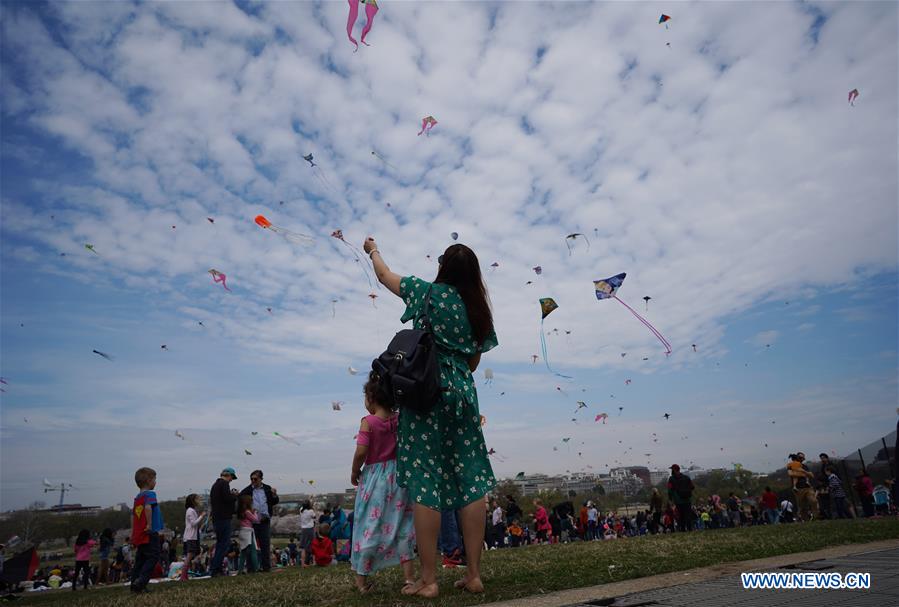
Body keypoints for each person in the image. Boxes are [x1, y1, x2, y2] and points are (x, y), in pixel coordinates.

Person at [365, 238, 498, 598]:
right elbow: (473, 360)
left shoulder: (425, 293)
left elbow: (383, 275)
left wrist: (373, 250)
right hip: (463, 395)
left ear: (442, 268)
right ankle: (473, 574)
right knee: (470, 478)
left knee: (426, 480)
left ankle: (428, 579)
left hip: (426, 393)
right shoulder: (477, 309)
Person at [349, 371, 417, 593]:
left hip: (375, 480)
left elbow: (361, 450)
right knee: (404, 526)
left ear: (371, 398)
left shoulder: (368, 422)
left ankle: (362, 580)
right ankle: (409, 578)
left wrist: (354, 471)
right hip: (399, 477)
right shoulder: (400, 419)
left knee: (370, 524)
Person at [130, 467, 163, 594]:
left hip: (141, 533)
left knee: (140, 559)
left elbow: (133, 515)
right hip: (150, 532)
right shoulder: (150, 494)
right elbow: (148, 508)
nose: (155, 482)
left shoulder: (137, 498)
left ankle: (135, 583)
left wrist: (134, 532)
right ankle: (141, 581)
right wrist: (149, 524)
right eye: (154, 479)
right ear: (149, 481)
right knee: (153, 557)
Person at [239, 470, 279, 572]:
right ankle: (251, 568)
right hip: (251, 523)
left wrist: (274, 495)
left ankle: (266, 567)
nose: (253, 481)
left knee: (265, 544)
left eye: (255, 479)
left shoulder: (267, 488)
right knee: (251, 546)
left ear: (261, 479)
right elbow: (240, 502)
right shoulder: (247, 491)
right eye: (251, 479)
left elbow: (274, 501)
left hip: (264, 520)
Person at [209, 467, 239, 576]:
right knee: (223, 544)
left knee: (220, 543)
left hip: (217, 518)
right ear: (228, 475)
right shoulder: (224, 484)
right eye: (232, 477)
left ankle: (215, 568)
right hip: (224, 517)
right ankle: (216, 569)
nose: (231, 480)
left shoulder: (215, 485)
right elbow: (227, 499)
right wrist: (234, 496)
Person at [787, 453, 817, 521]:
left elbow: (811, 475)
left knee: (813, 501)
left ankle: (816, 517)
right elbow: (790, 473)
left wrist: (803, 472)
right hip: (798, 489)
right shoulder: (791, 465)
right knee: (802, 507)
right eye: (800, 457)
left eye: (803, 458)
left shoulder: (804, 466)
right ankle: (806, 520)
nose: (802, 459)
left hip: (807, 487)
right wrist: (802, 474)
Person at [182, 494, 205, 580]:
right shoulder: (190, 510)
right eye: (198, 499)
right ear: (193, 501)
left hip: (192, 536)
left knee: (190, 556)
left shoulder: (191, 510)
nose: (200, 501)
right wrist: (201, 516)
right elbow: (193, 523)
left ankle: (184, 575)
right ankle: (183, 576)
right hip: (190, 537)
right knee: (189, 556)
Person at [667, 465, 694, 532]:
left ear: (674, 470)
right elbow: (692, 487)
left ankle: (683, 529)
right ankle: (690, 528)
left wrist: (670, 499)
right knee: (688, 515)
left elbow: (669, 490)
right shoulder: (686, 477)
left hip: (678, 500)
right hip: (687, 499)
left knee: (681, 515)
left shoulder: (671, 479)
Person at [237, 494, 260, 573]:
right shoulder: (247, 512)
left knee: (243, 551)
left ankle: (240, 570)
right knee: (253, 551)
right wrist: (255, 512)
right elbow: (256, 520)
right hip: (248, 531)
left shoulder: (241, 512)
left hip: (242, 531)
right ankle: (256, 568)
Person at [298, 501, 316, 567]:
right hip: (310, 529)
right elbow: (314, 517)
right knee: (313, 544)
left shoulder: (301, 510)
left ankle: (303, 563)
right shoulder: (311, 511)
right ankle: (314, 562)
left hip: (303, 529)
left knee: (303, 547)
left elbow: (304, 506)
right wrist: (313, 507)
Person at [816, 454, 834, 519]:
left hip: (831, 484)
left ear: (827, 458)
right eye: (821, 458)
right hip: (826, 485)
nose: (822, 459)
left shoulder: (831, 465)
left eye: (823, 458)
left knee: (831, 502)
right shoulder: (823, 466)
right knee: (827, 503)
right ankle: (829, 516)